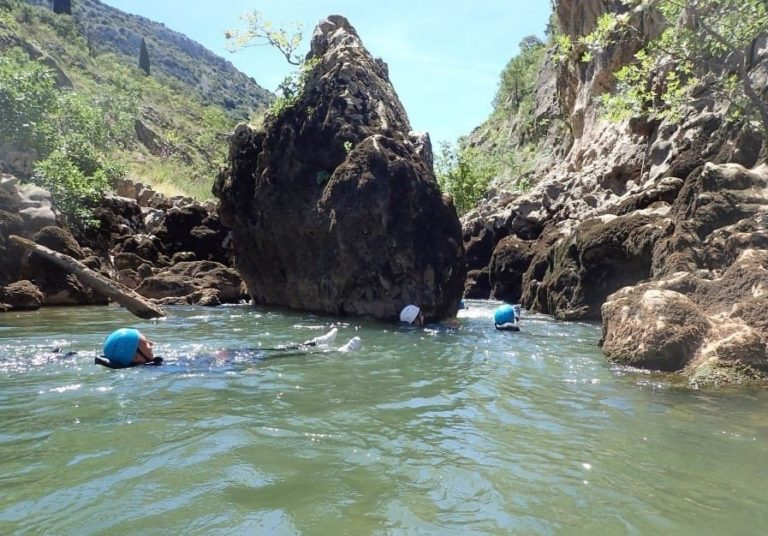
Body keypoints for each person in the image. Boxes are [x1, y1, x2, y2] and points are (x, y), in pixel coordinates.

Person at [97, 327, 358, 369]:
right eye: (146, 343)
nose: (152, 344)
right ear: (136, 356)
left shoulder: (150, 364)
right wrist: (228, 367)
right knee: (263, 360)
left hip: (216, 359)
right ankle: (335, 352)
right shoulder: (154, 371)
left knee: (261, 351)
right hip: (222, 366)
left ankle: (312, 343)